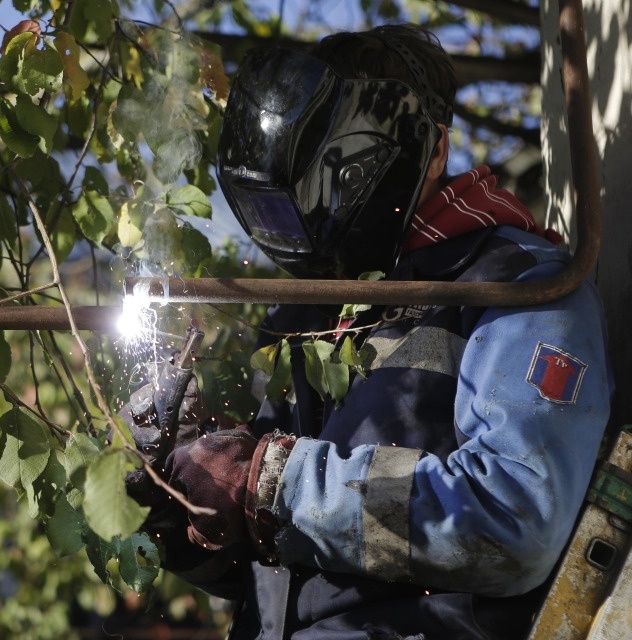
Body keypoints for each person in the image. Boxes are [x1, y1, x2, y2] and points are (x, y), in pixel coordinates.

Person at [121, 24, 614, 640]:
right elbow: (281, 568)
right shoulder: (304, 317)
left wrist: (269, 480)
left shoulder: (519, 285)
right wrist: (189, 501)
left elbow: (515, 517)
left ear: (431, 150)